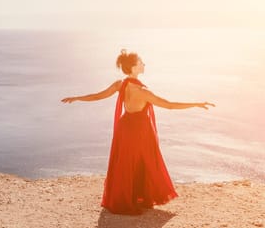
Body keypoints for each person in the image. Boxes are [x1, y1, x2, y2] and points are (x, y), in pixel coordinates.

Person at [61, 50, 215, 215]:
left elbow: (98, 96)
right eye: (141, 62)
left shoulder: (120, 84)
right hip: (140, 131)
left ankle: (129, 198)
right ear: (133, 67)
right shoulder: (143, 92)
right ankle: (136, 199)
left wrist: (77, 98)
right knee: (144, 162)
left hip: (124, 127)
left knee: (126, 164)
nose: (144, 64)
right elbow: (169, 105)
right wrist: (196, 104)